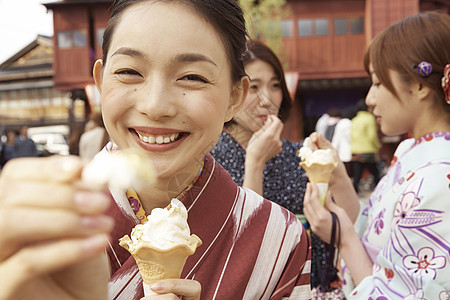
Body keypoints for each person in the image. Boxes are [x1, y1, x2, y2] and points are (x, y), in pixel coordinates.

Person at [0, 1, 312, 299]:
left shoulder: (279, 242)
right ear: (100, 80)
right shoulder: (30, 225)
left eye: (192, 77)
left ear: (235, 97)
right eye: (129, 72)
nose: (155, 106)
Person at [303, 11, 450, 299]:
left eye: (378, 83)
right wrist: (340, 180)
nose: (370, 98)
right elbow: (376, 234)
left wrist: (343, 239)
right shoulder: (411, 149)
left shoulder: (439, 176)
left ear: (419, 85)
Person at [210, 40, 339, 295]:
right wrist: (255, 163)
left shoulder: (300, 155)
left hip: (310, 286)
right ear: (232, 92)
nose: (267, 99)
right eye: (254, 87)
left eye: (275, 85)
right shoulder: (208, 159)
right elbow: (239, 246)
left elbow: (344, 222)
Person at [350, 99, 381, 193]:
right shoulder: (369, 118)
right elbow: (372, 135)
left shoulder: (354, 120)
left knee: (357, 173)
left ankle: (354, 190)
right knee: (375, 172)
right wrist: (377, 146)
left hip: (356, 150)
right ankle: (380, 189)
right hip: (367, 149)